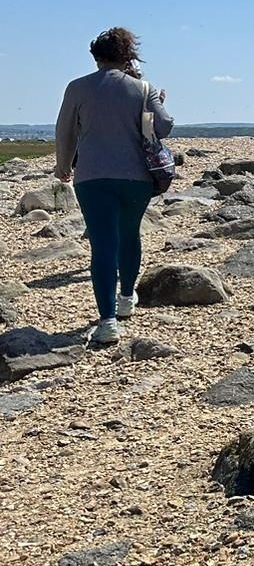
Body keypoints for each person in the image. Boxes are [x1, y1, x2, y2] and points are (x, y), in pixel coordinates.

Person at [53, 27, 174, 346]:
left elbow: (64, 131)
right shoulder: (142, 88)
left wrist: (63, 166)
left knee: (102, 244)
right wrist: (158, 101)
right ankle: (126, 298)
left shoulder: (77, 88)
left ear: (96, 57)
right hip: (135, 177)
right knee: (130, 234)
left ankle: (108, 322)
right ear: (127, 56)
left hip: (91, 177)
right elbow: (164, 127)